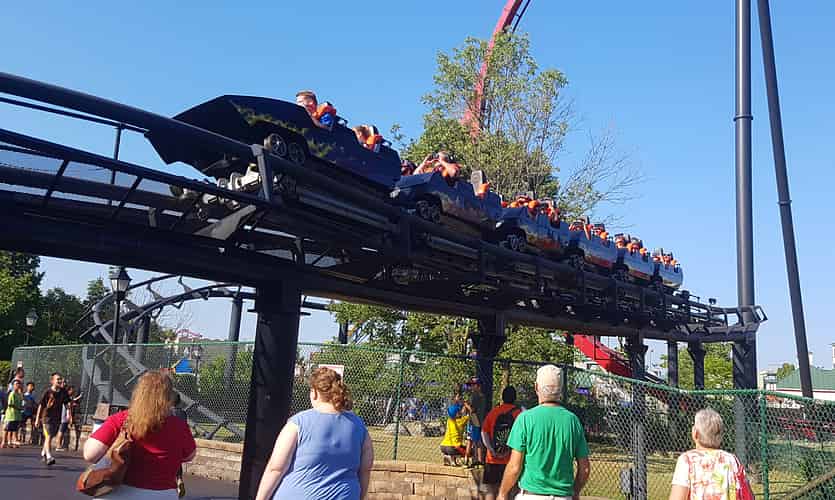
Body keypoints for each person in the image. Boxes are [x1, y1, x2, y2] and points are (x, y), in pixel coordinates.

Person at [255, 366, 374, 500]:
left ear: (315, 392)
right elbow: (365, 469)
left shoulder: (298, 422)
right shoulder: (359, 426)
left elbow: (276, 468)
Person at [83, 370, 197, 498]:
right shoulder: (179, 426)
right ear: (169, 396)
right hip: (163, 494)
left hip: (120, 491)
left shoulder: (121, 419)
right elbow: (189, 456)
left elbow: (90, 454)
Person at [498, 364, 590, 500]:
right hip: (563, 496)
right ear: (561, 390)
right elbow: (584, 469)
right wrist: (575, 492)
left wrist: (502, 493)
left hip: (531, 495)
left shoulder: (525, 419)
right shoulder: (573, 421)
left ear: (536, 387)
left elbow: (514, 467)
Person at [669, 408, 753, 500]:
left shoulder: (687, 460)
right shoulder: (731, 460)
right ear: (721, 436)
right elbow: (747, 495)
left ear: (695, 433)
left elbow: (677, 497)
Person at [481, 386, 523, 500]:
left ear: (502, 397)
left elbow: (484, 432)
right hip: (511, 460)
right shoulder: (519, 414)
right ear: (515, 398)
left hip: (492, 459)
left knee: (491, 490)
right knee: (510, 490)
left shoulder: (494, 412)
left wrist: (491, 450)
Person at [35, 372, 69, 465]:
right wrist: (37, 419)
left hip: (57, 418)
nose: (59, 381)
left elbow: (66, 403)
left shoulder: (63, 392)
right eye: (57, 379)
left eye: (60, 379)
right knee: (49, 435)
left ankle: (44, 452)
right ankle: (49, 456)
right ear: (52, 381)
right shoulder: (48, 392)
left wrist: (68, 414)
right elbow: (41, 405)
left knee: (50, 436)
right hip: (46, 418)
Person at [440, 392, 471, 466]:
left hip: (443, 446)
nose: (460, 411)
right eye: (459, 411)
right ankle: (452, 459)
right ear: (457, 413)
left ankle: (449, 458)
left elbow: (454, 410)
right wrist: (466, 404)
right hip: (453, 447)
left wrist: (457, 401)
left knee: (455, 446)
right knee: (470, 451)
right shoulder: (461, 421)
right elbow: (471, 413)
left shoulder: (449, 420)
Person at [465, 377, 487, 467]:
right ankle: (477, 460)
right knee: (474, 441)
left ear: (478, 386)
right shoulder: (481, 396)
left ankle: (476, 460)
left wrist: (466, 404)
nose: (471, 387)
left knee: (474, 441)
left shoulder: (475, 396)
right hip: (477, 421)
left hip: (474, 422)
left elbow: (472, 410)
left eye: (473, 385)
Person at [171, 392, 188, 498]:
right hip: (180, 441)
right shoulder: (183, 413)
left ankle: (170, 485)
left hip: (169, 441)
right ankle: (179, 479)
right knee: (178, 461)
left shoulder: (168, 413)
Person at [2, 379, 24, 448]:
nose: (18, 385)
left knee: (14, 429)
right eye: (16, 384)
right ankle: (3, 442)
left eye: (19, 384)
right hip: (11, 415)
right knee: (7, 429)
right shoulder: (12, 393)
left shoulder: (19, 394)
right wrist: (18, 408)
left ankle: (11, 442)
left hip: (17, 415)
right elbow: (10, 404)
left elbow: (22, 402)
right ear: (13, 385)